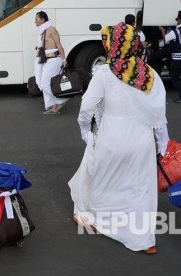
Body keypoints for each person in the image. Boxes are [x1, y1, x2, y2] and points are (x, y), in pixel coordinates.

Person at [68, 22, 169, 254]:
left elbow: (86, 108)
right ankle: (144, 240)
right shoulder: (151, 74)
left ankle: (94, 220)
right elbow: (159, 115)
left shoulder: (104, 72)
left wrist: (85, 131)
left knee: (103, 181)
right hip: (142, 142)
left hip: (112, 138)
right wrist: (163, 146)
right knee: (140, 189)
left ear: (111, 46)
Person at [151, 0, 181, 103]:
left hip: (179, 57)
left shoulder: (176, 32)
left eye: (176, 18)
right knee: (171, 62)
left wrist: (162, 31)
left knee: (174, 77)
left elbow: (165, 39)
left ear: (179, 19)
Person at [34, 11, 69, 115]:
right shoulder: (42, 31)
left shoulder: (51, 29)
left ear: (42, 19)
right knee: (46, 83)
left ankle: (61, 100)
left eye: (36, 19)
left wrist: (64, 59)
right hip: (46, 60)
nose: (35, 21)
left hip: (54, 60)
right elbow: (45, 46)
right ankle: (55, 107)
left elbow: (59, 45)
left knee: (44, 84)